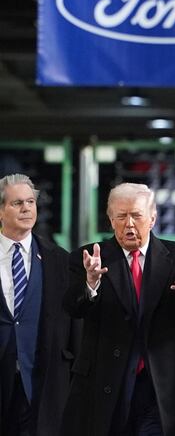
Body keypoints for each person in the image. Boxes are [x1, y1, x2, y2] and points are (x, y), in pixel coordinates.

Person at [61, 182, 175, 436]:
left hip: (160, 386)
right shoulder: (88, 258)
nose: (129, 224)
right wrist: (91, 283)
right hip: (105, 382)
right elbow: (71, 307)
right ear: (110, 220)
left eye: (136, 215)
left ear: (152, 218)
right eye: (121, 216)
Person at [0, 173, 79, 436]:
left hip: (43, 387)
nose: (26, 209)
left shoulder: (60, 261)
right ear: (0, 211)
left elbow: (74, 329)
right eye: (17, 203)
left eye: (31, 202)